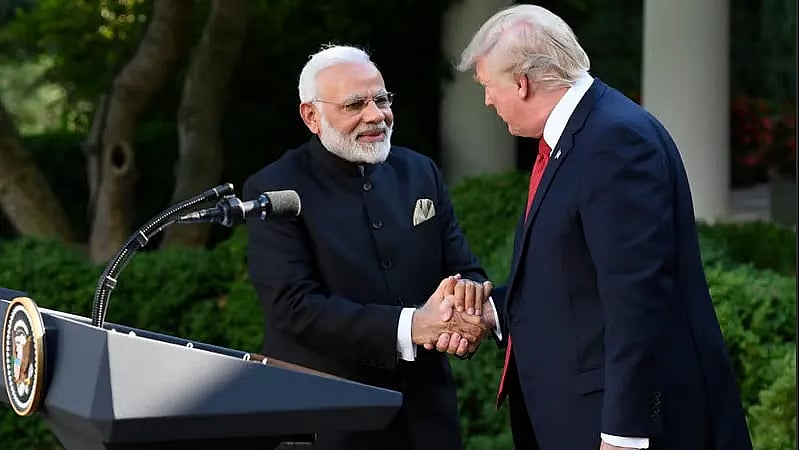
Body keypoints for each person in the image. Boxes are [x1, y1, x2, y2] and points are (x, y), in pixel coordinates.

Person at [437, 4, 754, 450]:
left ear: (522, 83)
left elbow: (636, 297)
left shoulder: (614, 141)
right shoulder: (584, 134)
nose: (487, 100)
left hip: (621, 430)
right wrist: (491, 313)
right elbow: (573, 282)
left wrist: (624, 433)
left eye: (488, 87)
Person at [243, 44, 492, 450]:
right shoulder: (275, 188)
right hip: (329, 424)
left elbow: (464, 268)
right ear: (311, 116)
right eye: (355, 104)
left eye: (381, 99)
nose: (376, 115)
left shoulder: (419, 170)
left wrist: (465, 308)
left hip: (429, 421)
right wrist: (413, 326)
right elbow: (293, 307)